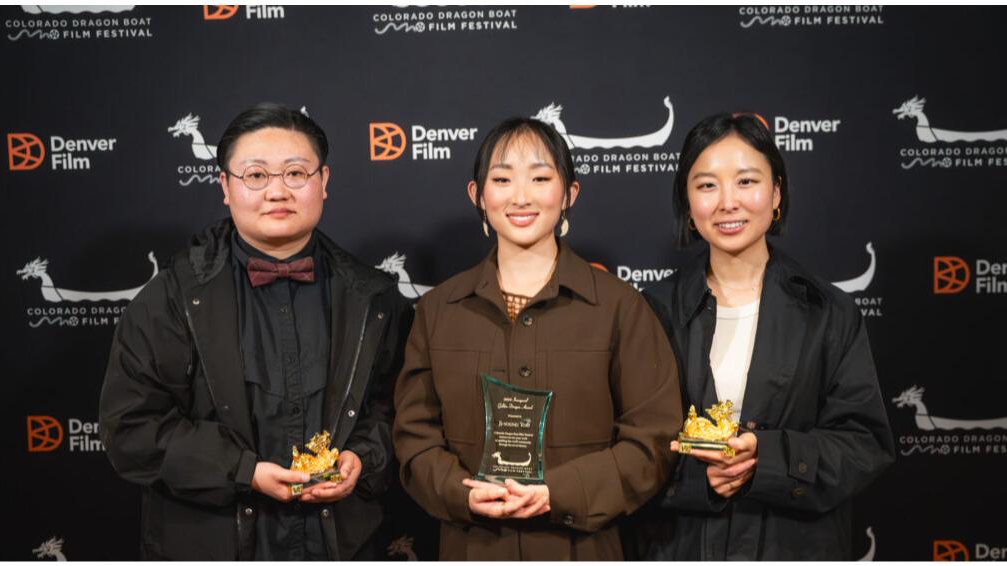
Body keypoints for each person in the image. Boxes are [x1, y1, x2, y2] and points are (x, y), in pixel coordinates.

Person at [99, 103, 412, 560]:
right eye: (256, 176)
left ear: (323, 181)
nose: (277, 192)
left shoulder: (374, 299)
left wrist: (364, 456)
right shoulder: (171, 299)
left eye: (295, 173)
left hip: (343, 545)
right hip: (212, 543)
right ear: (225, 186)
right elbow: (131, 429)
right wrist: (244, 471)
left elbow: (399, 409)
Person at [392, 117, 682, 560]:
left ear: (570, 193)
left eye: (541, 178)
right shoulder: (438, 310)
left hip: (583, 548)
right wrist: (460, 493)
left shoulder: (620, 307)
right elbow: (414, 437)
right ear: (478, 195)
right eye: (502, 178)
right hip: (472, 548)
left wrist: (558, 493)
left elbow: (653, 441)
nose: (521, 196)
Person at [639, 112, 895, 560]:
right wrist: (697, 480)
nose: (727, 202)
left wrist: (767, 459)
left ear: (776, 192)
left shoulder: (829, 313)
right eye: (706, 185)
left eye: (746, 181)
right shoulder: (650, 310)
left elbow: (863, 444)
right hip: (678, 546)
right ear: (688, 201)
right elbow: (624, 440)